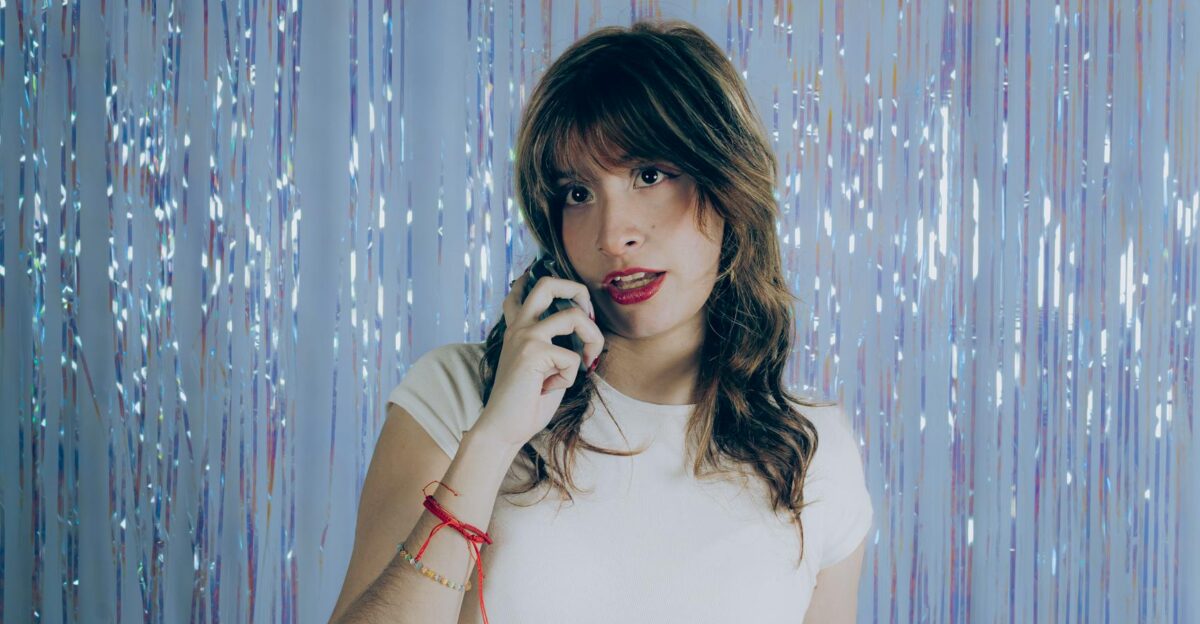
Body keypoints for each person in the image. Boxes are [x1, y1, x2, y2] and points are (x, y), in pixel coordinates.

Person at [329, 19, 872, 624]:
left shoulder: (812, 452)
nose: (614, 237)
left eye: (650, 175)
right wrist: (493, 440)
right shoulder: (457, 398)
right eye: (578, 192)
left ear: (728, 183)